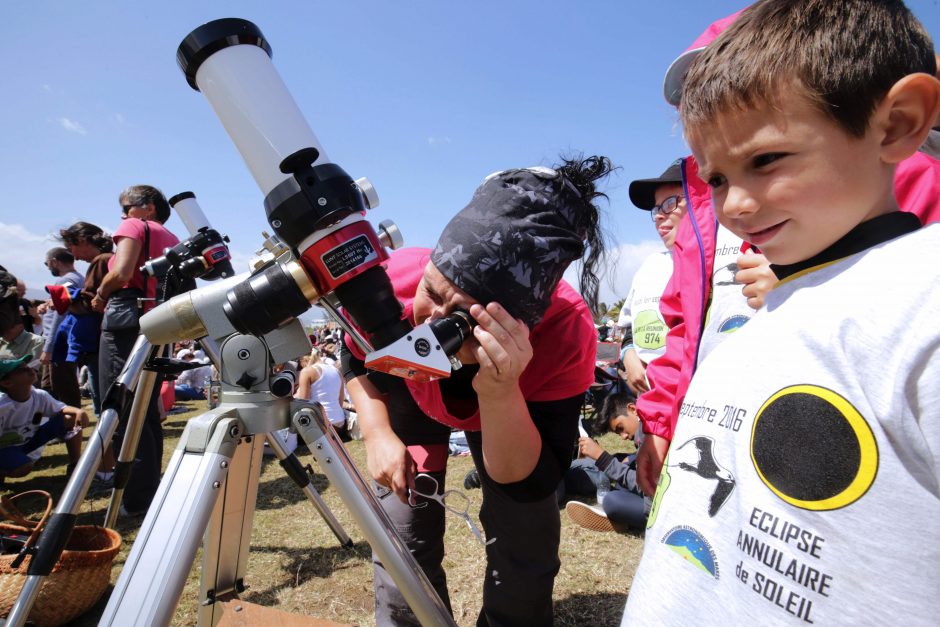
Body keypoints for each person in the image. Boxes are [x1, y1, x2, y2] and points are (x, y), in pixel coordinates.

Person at [624, 1, 940, 623]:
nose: (735, 205)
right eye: (714, 179)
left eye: (766, 160)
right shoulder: (769, 316)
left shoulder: (920, 301)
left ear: (897, 124)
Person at [342, 157, 610, 626]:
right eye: (432, 291)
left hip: (511, 411)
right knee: (403, 537)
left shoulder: (565, 331)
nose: (428, 320)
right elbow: (354, 355)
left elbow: (529, 482)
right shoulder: (403, 275)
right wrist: (377, 431)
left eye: (458, 317)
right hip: (411, 401)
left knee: (525, 544)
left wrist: (502, 393)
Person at [92, 185, 179, 516]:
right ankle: (148, 490)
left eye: (126, 207)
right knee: (146, 411)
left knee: (120, 407)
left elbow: (123, 271)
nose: (122, 215)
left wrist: (101, 291)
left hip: (126, 319)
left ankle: (137, 497)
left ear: (148, 208)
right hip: (157, 321)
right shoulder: (170, 236)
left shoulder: (133, 227)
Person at [616, 160, 689, 395]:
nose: (659, 216)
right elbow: (629, 328)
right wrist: (628, 355)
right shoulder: (650, 267)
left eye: (670, 203)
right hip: (650, 402)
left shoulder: (732, 261)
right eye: (657, 209)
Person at [563, 391, 650, 533]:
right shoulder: (646, 430)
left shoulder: (648, 436)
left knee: (611, 501)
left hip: (662, 509)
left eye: (620, 428)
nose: (623, 437)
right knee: (624, 472)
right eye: (618, 432)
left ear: (632, 409)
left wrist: (602, 457)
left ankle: (624, 522)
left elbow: (647, 486)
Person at [57, 221, 114, 416]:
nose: (73, 254)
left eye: (71, 247)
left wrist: (63, 299)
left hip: (98, 341)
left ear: (82, 240)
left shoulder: (100, 261)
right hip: (102, 339)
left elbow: (89, 305)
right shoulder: (108, 259)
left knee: (102, 400)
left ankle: (107, 444)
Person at [0, 356, 87, 483]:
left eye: (26, 365)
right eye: (20, 369)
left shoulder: (39, 395)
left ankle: (75, 465)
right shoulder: (3, 405)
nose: (29, 369)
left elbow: (62, 409)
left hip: (28, 441)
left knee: (71, 418)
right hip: (4, 448)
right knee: (23, 468)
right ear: (7, 383)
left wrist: (79, 411)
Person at [38, 247, 84, 408]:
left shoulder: (65, 281)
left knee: (62, 388)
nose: (48, 267)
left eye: (47, 264)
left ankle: (71, 427)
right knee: (51, 386)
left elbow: (60, 315)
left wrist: (49, 347)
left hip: (60, 343)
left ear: (54, 261)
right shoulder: (78, 278)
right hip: (64, 341)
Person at [296, 347, 349, 439]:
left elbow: (303, 405)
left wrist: (296, 394)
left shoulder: (307, 372)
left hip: (322, 427)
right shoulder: (335, 370)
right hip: (340, 423)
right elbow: (340, 402)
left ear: (302, 360)